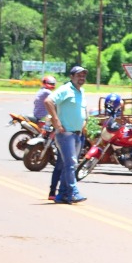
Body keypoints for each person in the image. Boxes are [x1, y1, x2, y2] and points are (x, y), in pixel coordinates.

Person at [43, 66, 89, 204]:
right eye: (78, 75)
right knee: (71, 164)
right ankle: (73, 192)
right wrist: (56, 120)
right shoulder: (65, 89)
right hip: (65, 133)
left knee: (66, 165)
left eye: (83, 75)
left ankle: (62, 194)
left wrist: (84, 122)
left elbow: (82, 109)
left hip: (77, 133)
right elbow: (48, 101)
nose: (81, 78)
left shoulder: (81, 91)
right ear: (71, 76)